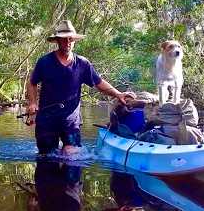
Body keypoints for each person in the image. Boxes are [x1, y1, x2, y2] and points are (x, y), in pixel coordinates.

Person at [26, 20, 134, 155]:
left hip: (71, 121)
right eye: (64, 39)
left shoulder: (83, 64)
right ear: (57, 41)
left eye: (70, 39)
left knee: (71, 157)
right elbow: (31, 82)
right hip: (47, 120)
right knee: (47, 158)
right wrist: (32, 103)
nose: (68, 42)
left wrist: (118, 94)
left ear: (74, 40)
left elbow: (99, 83)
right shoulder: (45, 62)